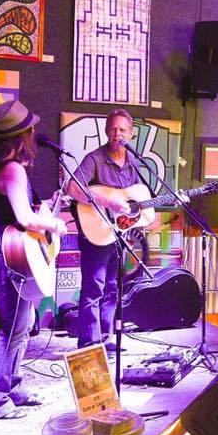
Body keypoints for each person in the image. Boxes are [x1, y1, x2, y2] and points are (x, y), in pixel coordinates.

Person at [0, 101, 67, 419]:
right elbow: (25, 218)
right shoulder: (13, 169)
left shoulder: (1, 166)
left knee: (23, 325)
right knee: (13, 328)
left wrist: (50, 207)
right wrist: (54, 224)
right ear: (24, 134)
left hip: (4, 255)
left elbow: (26, 211)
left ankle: (11, 385)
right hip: (5, 258)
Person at [67, 108, 145, 350]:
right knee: (94, 287)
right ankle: (89, 344)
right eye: (112, 129)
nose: (117, 134)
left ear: (130, 134)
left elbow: (134, 199)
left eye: (122, 130)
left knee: (112, 288)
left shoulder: (133, 163)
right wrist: (107, 201)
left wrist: (132, 216)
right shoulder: (95, 159)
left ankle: (104, 338)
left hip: (118, 235)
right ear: (106, 131)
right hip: (95, 233)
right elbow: (72, 188)